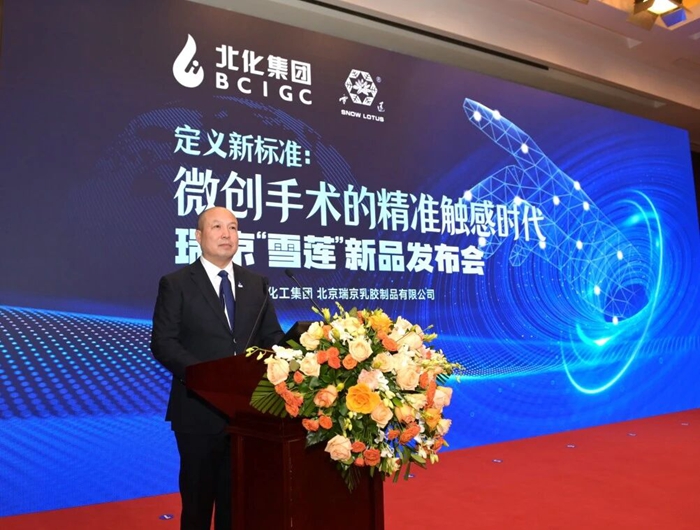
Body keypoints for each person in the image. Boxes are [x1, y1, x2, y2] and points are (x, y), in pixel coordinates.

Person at [150, 206, 284, 530]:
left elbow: (272, 337)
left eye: (233, 227)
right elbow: (164, 343)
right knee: (197, 506)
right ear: (198, 236)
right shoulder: (177, 283)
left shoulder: (256, 283)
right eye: (217, 227)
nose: (227, 234)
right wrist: (209, 378)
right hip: (198, 412)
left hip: (248, 416)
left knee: (237, 506)